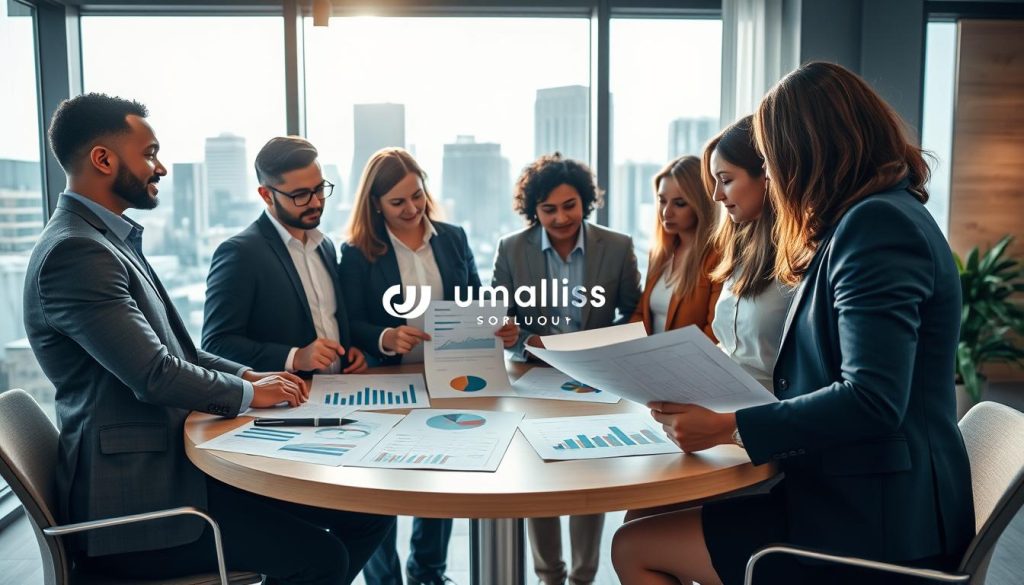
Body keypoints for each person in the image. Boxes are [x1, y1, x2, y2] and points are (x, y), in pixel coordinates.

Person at [611, 62, 975, 585]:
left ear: (804, 152)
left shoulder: (876, 226)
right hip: (859, 495)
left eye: (771, 158)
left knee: (634, 547)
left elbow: (872, 398)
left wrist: (730, 426)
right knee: (644, 519)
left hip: (878, 524)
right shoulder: (868, 220)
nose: (773, 174)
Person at [23, 93, 393, 585]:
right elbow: (154, 375)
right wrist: (249, 394)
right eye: (150, 154)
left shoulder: (106, 241)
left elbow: (182, 353)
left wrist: (250, 376)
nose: (161, 168)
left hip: (176, 473)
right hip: (139, 506)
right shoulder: (77, 252)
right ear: (103, 159)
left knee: (367, 514)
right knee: (321, 558)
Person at [340, 147, 517, 585]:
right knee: (381, 486)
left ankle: (428, 574)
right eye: (397, 202)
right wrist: (385, 336)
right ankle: (385, 581)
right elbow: (349, 319)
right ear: (375, 204)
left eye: (417, 195)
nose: (411, 208)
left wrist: (497, 325)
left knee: (440, 477)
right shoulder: (358, 251)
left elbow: (474, 298)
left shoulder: (453, 238)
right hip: (388, 380)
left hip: (448, 377)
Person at [493, 152, 641, 585]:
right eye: (549, 209)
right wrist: (519, 337)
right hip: (531, 376)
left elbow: (632, 311)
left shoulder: (617, 246)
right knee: (540, 476)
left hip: (594, 378)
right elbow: (498, 316)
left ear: (585, 202)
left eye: (569, 206)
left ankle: (583, 577)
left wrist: (597, 345)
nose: (560, 218)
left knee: (589, 478)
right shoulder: (511, 249)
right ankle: (549, 577)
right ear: (534, 210)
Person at [203, 136, 368, 376]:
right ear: (266, 195)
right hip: (289, 395)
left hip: (341, 389)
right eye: (300, 195)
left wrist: (350, 351)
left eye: (319, 189)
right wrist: (295, 357)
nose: (316, 202)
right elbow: (216, 345)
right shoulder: (240, 253)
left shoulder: (325, 245)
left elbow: (327, 320)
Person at [704, 115, 794, 390]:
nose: (717, 195)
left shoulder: (800, 259)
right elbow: (731, 350)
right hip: (721, 400)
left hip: (767, 409)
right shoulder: (741, 250)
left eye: (725, 180)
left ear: (766, 174)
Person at [630, 155, 721, 337]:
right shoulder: (660, 252)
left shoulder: (716, 258)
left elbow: (715, 331)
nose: (666, 212)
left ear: (700, 204)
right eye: (662, 200)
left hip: (691, 355)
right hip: (649, 353)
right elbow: (641, 314)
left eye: (679, 204)